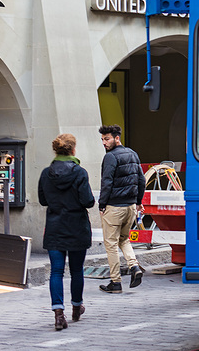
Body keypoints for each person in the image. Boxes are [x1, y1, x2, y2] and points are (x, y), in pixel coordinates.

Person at [38, 133, 94, 331]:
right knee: (77, 270)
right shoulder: (79, 172)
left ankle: (58, 314)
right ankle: (77, 307)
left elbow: (43, 200)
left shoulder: (46, 173)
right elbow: (88, 201)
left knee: (56, 271)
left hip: (54, 227)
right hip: (76, 226)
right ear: (73, 150)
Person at [98, 124, 146, 293]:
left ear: (117, 138)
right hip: (131, 207)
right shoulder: (133, 154)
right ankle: (134, 267)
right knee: (124, 239)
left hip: (114, 207)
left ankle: (116, 282)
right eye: (103, 139)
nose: (104, 142)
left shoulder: (111, 157)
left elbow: (107, 182)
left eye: (107, 139)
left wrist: (102, 204)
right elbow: (142, 180)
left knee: (110, 244)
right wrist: (138, 201)